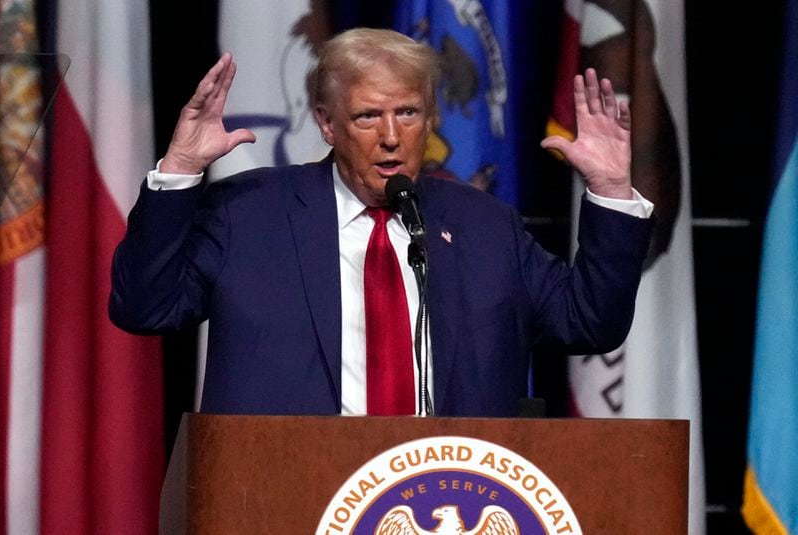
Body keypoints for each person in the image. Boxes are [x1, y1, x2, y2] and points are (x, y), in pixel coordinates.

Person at [109, 28, 652, 417]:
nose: (391, 136)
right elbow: (145, 307)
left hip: (447, 504)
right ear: (326, 123)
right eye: (368, 116)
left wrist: (609, 193)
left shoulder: (485, 227)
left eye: (408, 113)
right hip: (286, 502)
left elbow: (589, 323)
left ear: (431, 117)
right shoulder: (249, 215)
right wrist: (179, 171)